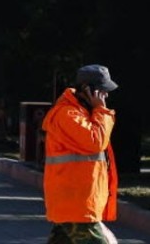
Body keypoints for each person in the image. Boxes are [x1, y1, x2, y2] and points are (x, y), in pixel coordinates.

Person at [42, 64, 119, 244]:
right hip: (77, 207)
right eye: (102, 91)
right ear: (87, 89)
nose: (106, 96)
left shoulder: (81, 113)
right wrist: (102, 111)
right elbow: (96, 142)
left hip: (75, 204)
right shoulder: (67, 114)